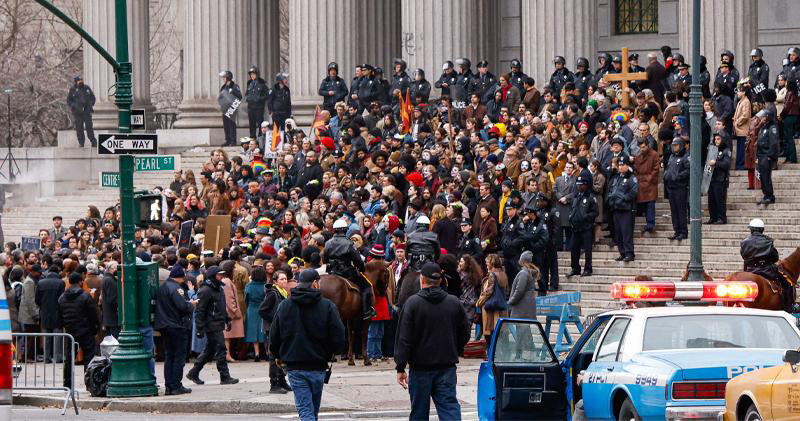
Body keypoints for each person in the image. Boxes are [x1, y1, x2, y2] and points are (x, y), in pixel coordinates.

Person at [394, 262, 469, 421]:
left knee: (419, 412)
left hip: (420, 367)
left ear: (422, 279)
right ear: (440, 281)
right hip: (446, 365)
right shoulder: (453, 302)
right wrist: (454, 348)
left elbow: (404, 338)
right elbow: (465, 333)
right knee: (449, 409)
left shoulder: (413, 303)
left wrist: (400, 366)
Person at [269, 269, 346, 421]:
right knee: (311, 410)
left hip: (295, 364)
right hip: (318, 364)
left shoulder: (285, 305)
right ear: (315, 284)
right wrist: (331, 352)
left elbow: (274, 334)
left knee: (307, 410)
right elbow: (339, 335)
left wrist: (277, 355)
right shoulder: (327, 306)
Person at [186, 266, 239, 386]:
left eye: (222, 274)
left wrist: (227, 319)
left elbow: (221, 306)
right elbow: (200, 311)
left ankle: (193, 373)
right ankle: (224, 376)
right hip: (211, 324)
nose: (222, 277)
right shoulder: (205, 290)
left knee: (210, 351)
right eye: (219, 275)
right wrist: (199, 329)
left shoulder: (218, 288)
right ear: (213, 276)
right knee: (221, 349)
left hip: (217, 322)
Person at [154, 264, 196, 395]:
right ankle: (176, 385)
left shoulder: (162, 287)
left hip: (164, 325)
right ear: (180, 277)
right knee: (179, 356)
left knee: (169, 356)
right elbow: (182, 307)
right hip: (176, 326)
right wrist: (192, 304)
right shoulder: (176, 289)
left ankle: (169, 385)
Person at [324, 219, 374, 319]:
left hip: (331, 272)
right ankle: (366, 311)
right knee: (367, 286)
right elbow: (357, 261)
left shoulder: (328, 243)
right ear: (345, 230)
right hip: (346, 272)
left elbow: (325, 259)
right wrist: (362, 268)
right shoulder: (349, 243)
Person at [58, 272, 100, 388]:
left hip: (70, 332)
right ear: (80, 282)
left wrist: (66, 326)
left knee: (69, 358)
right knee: (89, 358)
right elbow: (93, 315)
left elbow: (59, 316)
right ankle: (89, 383)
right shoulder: (85, 296)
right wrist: (95, 328)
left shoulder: (62, 298)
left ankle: (67, 384)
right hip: (85, 331)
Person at [740, 219, 793, 309]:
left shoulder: (744, 242)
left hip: (750, 270)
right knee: (787, 282)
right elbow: (775, 257)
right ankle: (789, 305)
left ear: (751, 230)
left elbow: (743, 255)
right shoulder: (768, 241)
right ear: (762, 230)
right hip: (766, 270)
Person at [606, 154, 639, 262]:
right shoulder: (616, 177)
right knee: (618, 233)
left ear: (627, 165)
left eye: (623, 165)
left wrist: (624, 198)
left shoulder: (631, 177)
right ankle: (622, 252)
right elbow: (611, 190)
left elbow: (634, 191)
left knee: (626, 232)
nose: (620, 167)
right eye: (619, 165)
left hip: (626, 209)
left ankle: (629, 253)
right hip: (616, 208)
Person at [568, 174, 599, 277]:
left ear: (586, 185)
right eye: (578, 185)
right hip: (575, 227)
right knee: (574, 249)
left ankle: (588, 269)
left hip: (586, 227)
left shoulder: (591, 197)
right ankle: (575, 268)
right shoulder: (575, 196)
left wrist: (586, 217)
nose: (579, 187)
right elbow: (572, 209)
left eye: (581, 185)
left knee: (587, 249)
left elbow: (595, 212)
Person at [36, 265, 65, 363]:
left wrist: (43, 306)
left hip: (45, 312)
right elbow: (62, 298)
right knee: (57, 336)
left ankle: (47, 357)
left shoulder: (40, 283)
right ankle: (58, 357)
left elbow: (37, 299)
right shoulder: (61, 283)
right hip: (57, 312)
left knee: (47, 336)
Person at [755, 108, 780, 205]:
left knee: (766, 177)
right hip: (761, 155)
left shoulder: (772, 127)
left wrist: (770, 155)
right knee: (762, 176)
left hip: (766, 156)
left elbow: (773, 143)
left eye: (764, 116)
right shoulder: (763, 127)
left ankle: (770, 196)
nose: (762, 118)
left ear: (768, 117)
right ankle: (766, 195)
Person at [66, 75, 97, 147]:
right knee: (79, 128)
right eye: (79, 80)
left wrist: (90, 105)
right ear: (76, 82)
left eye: (81, 80)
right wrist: (74, 106)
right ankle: (81, 142)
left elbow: (93, 98)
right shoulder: (72, 90)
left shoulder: (86, 88)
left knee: (89, 127)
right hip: (78, 113)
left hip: (86, 111)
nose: (80, 81)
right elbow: (69, 101)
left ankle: (93, 141)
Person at [707, 133, 732, 224]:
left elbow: (726, 164)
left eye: (718, 139)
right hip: (712, 178)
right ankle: (713, 217)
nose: (716, 141)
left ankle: (721, 218)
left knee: (719, 199)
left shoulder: (726, 151)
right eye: (715, 139)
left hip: (720, 178)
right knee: (711, 199)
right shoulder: (713, 150)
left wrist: (716, 163)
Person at [507, 251, 538, 319]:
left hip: (521, 308)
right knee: (525, 328)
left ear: (522, 261)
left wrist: (510, 302)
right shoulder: (528, 272)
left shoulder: (523, 273)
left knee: (522, 328)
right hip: (527, 307)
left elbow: (519, 291)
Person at [218, 70, 242, 147]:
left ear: (228, 78)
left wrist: (234, 106)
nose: (223, 79)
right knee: (226, 125)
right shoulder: (223, 87)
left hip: (231, 108)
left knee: (231, 125)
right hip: (224, 108)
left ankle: (233, 141)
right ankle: (228, 140)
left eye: (224, 77)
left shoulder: (235, 86)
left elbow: (239, 97)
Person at [245, 66, 269, 138]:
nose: (252, 76)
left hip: (258, 107)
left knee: (260, 123)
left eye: (253, 74)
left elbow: (267, 94)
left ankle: (260, 137)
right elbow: (247, 93)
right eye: (251, 74)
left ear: (257, 74)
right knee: (251, 124)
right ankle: (252, 137)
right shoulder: (249, 83)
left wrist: (259, 99)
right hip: (250, 107)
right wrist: (248, 98)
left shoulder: (262, 83)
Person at [100, 261, 120, 338]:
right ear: (111, 269)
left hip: (110, 317)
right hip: (113, 317)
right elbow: (112, 299)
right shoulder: (109, 280)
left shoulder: (107, 279)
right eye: (116, 268)